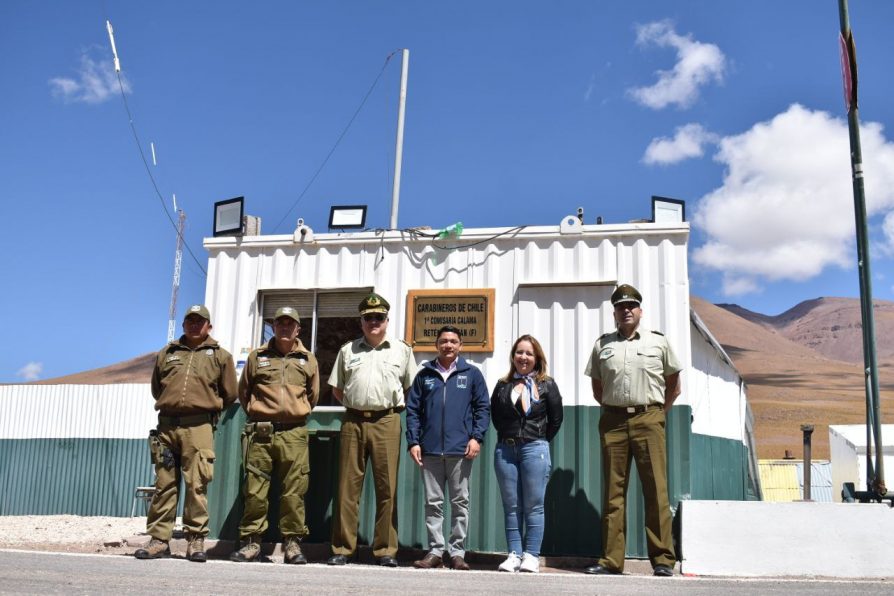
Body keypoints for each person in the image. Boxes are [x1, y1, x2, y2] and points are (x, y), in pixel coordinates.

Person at [584, 283, 682, 577]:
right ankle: (611, 561)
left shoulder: (658, 342)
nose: (626, 310)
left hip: (649, 419)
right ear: (613, 312)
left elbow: (674, 386)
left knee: (656, 490)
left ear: (640, 310)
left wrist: (654, 415)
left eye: (631, 306)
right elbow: (598, 388)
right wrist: (618, 409)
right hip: (613, 422)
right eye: (620, 306)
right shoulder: (603, 345)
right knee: (613, 494)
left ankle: (663, 559)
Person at [135, 304, 238, 562]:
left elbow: (230, 394)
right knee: (164, 485)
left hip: (199, 427)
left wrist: (203, 409)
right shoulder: (167, 353)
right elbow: (158, 388)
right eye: (190, 320)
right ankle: (159, 540)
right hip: (167, 426)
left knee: (197, 485)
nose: (194, 325)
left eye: (200, 321)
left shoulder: (220, 356)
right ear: (183, 324)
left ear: (209, 326)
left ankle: (195, 540)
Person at [327, 293, 417, 567]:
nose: (373, 322)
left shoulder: (402, 350)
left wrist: (379, 407)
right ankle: (343, 549)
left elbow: (409, 387)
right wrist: (359, 405)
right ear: (361, 321)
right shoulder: (348, 350)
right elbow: (337, 389)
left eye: (379, 317)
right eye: (368, 317)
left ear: (387, 320)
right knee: (346, 489)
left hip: (387, 421)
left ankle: (385, 550)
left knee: (386, 487)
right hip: (353, 421)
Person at [230, 306, 320, 564]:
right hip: (261, 433)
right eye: (280, 323)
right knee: (255, 490)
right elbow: (244, 392)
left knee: (294, 492)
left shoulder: (308, 359)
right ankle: (252, 543)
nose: (284, 327)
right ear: (273, 326)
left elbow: (312, 396)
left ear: (298, 329)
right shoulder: (257, 357)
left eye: (290, 324)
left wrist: (292, 412)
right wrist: (261, 414)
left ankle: (292, 545)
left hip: (294, 434)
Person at [405, 325, 490, 571]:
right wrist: (414, 441)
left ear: (460, 345)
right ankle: (434, 550)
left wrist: (477, 438)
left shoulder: (472, 374)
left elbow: (482, 408)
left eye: (453, 341)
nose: (448, 345)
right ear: (436, 345)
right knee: (433, 503)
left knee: (459, 502)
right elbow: (413, 411)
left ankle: (456, 553)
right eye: (443, 341)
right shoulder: (424, 375)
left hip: (460, 450)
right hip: (430, 450)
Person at [490, 334, 564, 574]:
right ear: (513, 356)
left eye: (529, 353)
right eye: (519, 352)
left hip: (535, 448)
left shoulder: (547, 384)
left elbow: (556, 419)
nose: (524, 357)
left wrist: (539, 439)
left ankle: (531, 555)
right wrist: (510, 437)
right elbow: (496, 417)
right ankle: (514, 554)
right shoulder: (503, 385)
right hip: (506, 449)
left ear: (537, 358)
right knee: (511, 505)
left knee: (534, 505)